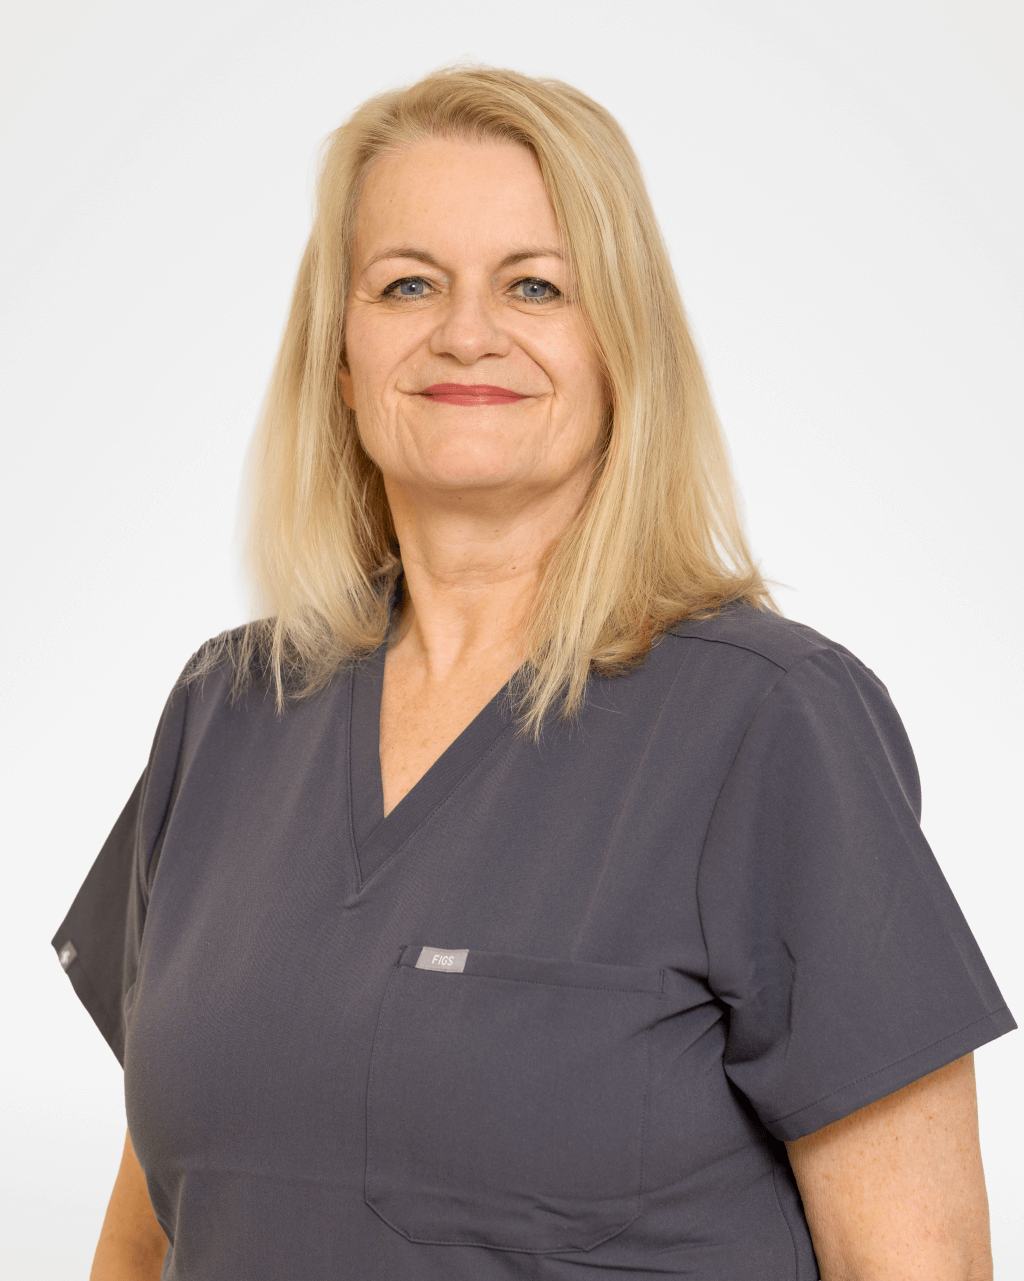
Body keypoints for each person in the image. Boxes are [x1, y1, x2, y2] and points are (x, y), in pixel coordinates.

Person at [54, 66, 1014, 1281]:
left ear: (622, 350)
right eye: (407, 284)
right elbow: (146, 1232)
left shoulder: (770, 723)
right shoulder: (228, 711)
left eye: (536, 286)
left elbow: (920, 1263)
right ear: (340, 356)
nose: (466, 331)